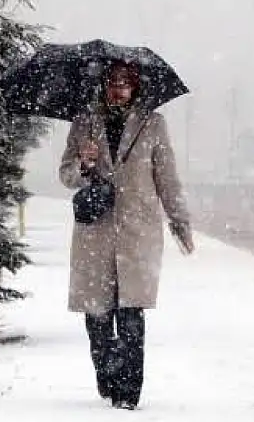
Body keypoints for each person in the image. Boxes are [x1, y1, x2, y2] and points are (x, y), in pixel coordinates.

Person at [58, 61, 194, 410]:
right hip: (96, 232)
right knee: (98, 316)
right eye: (112, 82)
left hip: (138, 231)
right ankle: (108, 378)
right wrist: (84, 164)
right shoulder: (84, 122)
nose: (118, 89)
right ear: (104, 85)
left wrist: (179, 221)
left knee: (131, 313)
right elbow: (66, 175)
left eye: (125, 83)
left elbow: (167, 177)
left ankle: (128, 394)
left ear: (135, 87)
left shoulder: (153, 124)